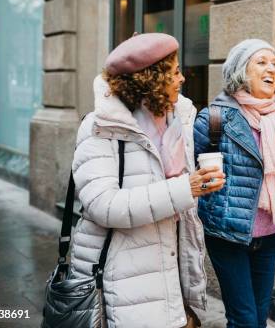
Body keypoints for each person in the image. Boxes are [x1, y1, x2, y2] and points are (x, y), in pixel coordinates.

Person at [68, 33, 225, 328]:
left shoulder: (178, 121)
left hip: (171, 276)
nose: (182, 79)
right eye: (175, 71)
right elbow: (104, 205)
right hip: (123, 278)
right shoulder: (101, 126)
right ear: (151, 78)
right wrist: (186, 187)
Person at [194, 39, 275, 328]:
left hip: (269, 235)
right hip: (228, 236)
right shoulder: (213, 119)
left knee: (259, 317)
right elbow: (191, 182)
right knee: (244, 320)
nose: (271, 68)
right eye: (261, 62)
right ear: (240, 71)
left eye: (274, 63)